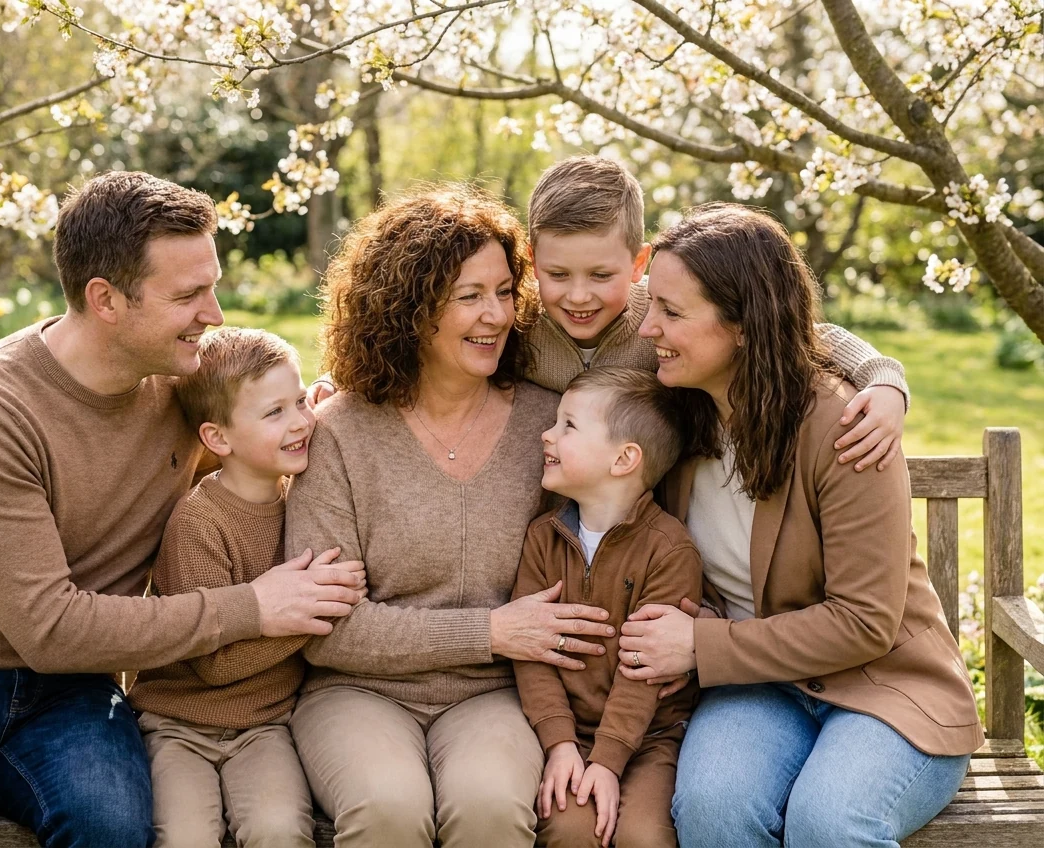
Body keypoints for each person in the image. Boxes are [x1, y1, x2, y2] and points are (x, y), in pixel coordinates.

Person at [0, 172, 366, 848]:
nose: (215, 313)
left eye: (213, 285)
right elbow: (49, 628)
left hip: (71, 694)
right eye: (189, 294)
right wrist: (253, 607)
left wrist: (320, 414)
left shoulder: (183, 385)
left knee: (110, 829)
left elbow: (257, 417)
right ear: (105, 299)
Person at [616, 203, 983, 848]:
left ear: (743, 327)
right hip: (760, 685)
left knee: (829, 821)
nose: (649, 329)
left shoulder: (845, 427)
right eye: (652, 305)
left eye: (672, 313)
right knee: (710, 807)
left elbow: (866, 620)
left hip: (887, 684)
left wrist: (701, 646)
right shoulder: (677, 408)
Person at [285, 185, 619, 848]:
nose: (496, 315)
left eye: (503, 292)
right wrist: (491, 631)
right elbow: (330, 633)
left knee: (491, 808)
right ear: (409, 309)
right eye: (469, 297)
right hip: (357, 691)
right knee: (388, 810)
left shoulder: (549, 425)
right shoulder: (340, 433)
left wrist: (875, 372)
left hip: (497, 695)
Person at [315, 155, 914, 471]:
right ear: (531, 256)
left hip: (661, 518)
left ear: (638, 261)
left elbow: (810, 337)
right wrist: (334, 386)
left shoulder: (667, 314)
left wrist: (885, 383)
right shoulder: (514, 325)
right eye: (558, 275)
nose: (578, 296)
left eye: (602, 276)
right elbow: (417, 344)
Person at [129, 328, 364, 848]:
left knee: (280, 831)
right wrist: (318, 611)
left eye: (300, 401)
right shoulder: (199, 523)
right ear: (218, 438)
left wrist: (325, 395)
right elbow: (215, 665)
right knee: (186, 836)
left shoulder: (306, 500)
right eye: (274, 413)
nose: (301, 422)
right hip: (178, 724)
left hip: (267, 725)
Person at [514, 367, 701, 848]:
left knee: (644, 836)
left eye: (567, 426)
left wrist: (609, 760)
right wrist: (559, 745)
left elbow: (646, 667)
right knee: (572, 828)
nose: (546, 434)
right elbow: (531, 653)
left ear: (624, 459)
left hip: (654, 737)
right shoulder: (544, 539)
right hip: (568, 734)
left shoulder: (669, 550)